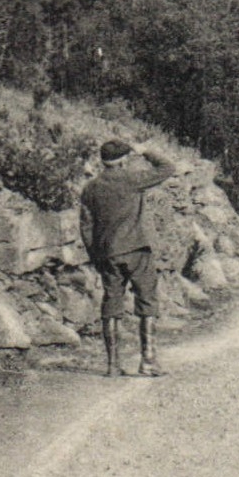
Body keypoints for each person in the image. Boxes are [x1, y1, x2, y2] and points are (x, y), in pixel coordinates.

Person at [78, 139, 177, 377]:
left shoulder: (91, 188)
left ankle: (112, 365)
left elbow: (86, 226)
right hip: (137, 249)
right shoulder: (133, 179)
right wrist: (144, 151)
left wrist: (96, 256)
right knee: (147, 300)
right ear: (123, 161)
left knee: (111, 303)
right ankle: (148, 361)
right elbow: (167, 168)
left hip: (108, 253)